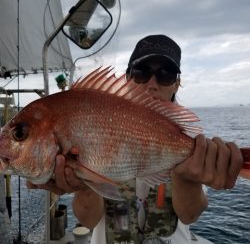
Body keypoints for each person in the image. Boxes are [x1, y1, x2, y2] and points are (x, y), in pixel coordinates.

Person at [27, 35, 243, 243]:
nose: (152, 84)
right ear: (128, 78)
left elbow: (189, 215)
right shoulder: (98, 122)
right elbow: (89, 219)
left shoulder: (190, 140)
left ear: (176, 84)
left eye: (165, 74)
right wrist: (84, 181)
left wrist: (188, 178)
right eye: (142, 72)